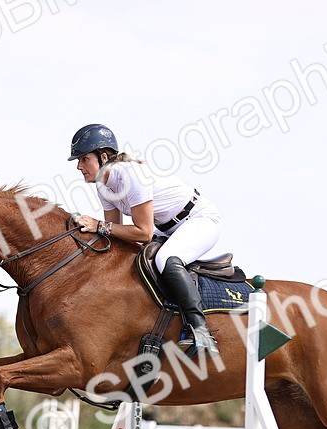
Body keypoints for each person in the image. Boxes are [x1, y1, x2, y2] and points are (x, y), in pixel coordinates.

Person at [68, 123, 221, 356]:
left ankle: (202, 333)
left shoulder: (131, 176)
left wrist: (97, 225)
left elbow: (143, 233)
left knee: (166, 260)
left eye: (83, 159)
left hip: (200, 219)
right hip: (168, 228)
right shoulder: (103, 185)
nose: (79, 166)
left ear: (104, 156)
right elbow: (114, 232)